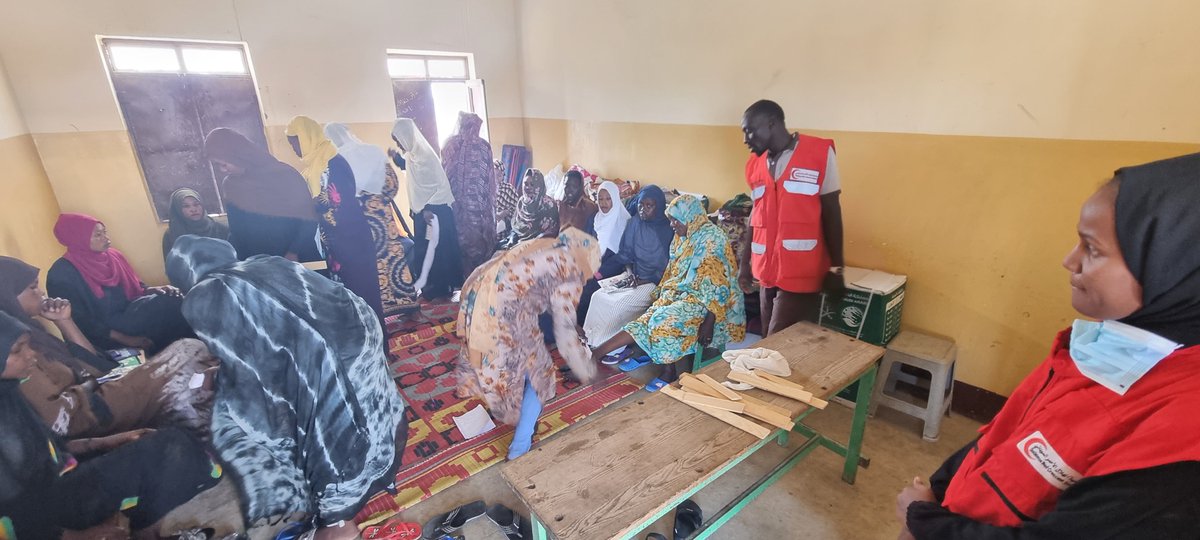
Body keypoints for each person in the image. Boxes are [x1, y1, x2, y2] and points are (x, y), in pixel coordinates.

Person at [896, 153, 1200, 539]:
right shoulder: (1102, 347)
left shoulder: (1182, 446)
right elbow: (1003, 438)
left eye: (1092, 249)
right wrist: (938, 493)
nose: (1068, 261)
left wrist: (926, 522)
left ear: (1174, 265)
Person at [166, 236, 405, 538]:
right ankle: (367, 471)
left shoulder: (203, 298)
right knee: (361, 405)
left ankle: (337, 521)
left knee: (244, 424)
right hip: (359, 333)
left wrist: (217, 383)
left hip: (320, 359)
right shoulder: (263, 259)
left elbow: (253, 373)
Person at [0, 311, 221, 540]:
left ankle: (148, 532)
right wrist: (75, 536)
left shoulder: (9, 393)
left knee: (168, 444)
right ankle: (147, 535)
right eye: (17, 350)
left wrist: (111, 441)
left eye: (27, 345)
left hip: (60, 480)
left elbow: (54, 448)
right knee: (169, 449)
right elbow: (10, 514)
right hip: (41, 515)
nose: (31, 354)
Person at [0, 256, 216, 439]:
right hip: (93, 411)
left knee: (186, 360)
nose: (41, 293)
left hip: (97, 393)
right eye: (32, 288)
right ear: (7, 296)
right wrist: (95, 384)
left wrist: (64, 321)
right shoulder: (13, 349)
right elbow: (61, 419)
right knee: (188, 349)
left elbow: (91, 363)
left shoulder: (33, 333)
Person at [454, 228, 600, 460]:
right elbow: (563, 332)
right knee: (540, 378)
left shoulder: (544, 246)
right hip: (506, 315)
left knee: (517, 364)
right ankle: (520, 447)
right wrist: (586, 370)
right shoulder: (570, 269)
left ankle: (518, 407)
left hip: (479, 297)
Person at [590, 195, 746, 390]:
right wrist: (664, 293)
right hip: (680, 292)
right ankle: (595, 354)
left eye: (675, 219)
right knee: (648, 316)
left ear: (690, 217)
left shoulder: (712, 239)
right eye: (670, 219)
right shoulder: (682, 236)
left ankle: (670, 372)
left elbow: (720, 284)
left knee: (661, 320)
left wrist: (709, 321)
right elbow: (673, 270)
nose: (672, 224)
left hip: (708, 303)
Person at [740, 99, 845, 336]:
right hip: (767, 274)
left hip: (801, 274)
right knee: (770, 341)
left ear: (772, 123)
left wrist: (837, 267)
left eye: (750, 130)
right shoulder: (754, 165)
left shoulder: (818, 153)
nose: (746, 139)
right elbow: (755, 217)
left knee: (779, 341)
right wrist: (744, 264)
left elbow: (832, 212)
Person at [47, 213, 192, 355]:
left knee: (174, 300)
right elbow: (81, 322)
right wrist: (126, 339)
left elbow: (137, 287)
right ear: (78, 239)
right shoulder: (62, 273)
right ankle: (171, 359)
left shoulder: (113, 256)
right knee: (167, 315)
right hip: (104, 331)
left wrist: (155, 290)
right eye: (98, 235)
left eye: (105, 232)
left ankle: (189, 353)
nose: (106, 238)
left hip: (128, 313)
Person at [287, 116, 385, 322]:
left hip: (352, 242)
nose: (294, 149)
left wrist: (309, 206)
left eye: (296, 142)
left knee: (364, 299)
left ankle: (379, 349)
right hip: (334, 245)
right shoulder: (311, 169)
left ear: (308, 137)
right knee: (346, 302)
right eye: (291, 144)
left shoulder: (334, 163)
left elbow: (336, 202)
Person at [325, 122, 421, 317]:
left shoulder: (338, 160)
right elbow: (391, 184)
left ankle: (377, 309)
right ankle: (404, 303)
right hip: (382, 214)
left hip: (359, 219)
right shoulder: (373, 151)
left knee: (369, 264)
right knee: (392, 259)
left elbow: (337, 197)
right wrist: (380, 199)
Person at [204, 127, 321, 261]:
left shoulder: (283, 175)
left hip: (300, 262)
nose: (222, 170)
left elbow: (309, 218)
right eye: (217, 166)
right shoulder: (231, 186)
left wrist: (294, 252)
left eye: (224, 164)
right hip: (260, 266)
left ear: (238, 155)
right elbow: (237, 231)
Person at [581, 185, 674, 348]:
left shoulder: (669, 230)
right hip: (634, 276)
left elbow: (669, 268)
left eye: (649, 206)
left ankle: (606, 347)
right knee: (598, 296)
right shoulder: (635, 222)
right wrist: (621, 276)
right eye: (640, 205)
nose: (643, 210)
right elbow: (625, 254)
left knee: (616, 305)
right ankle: (588, 340)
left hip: (655, 283)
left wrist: (646, 279)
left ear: (659, 206)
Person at [391, 118, 465, 300]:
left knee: (438, 252)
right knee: (424, 250)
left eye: (399, 140)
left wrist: (428, 208)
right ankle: (430, 287)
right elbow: (410, 169)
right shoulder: (412, 156)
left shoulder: (427, 157)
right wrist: (397, 160)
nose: (399, 144)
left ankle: (441, 289)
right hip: (421, 214)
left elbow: (442, 186)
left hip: (435, 214)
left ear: (407, 136)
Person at [442, 111, 498, 275]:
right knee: (479, 249)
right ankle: (479, 286)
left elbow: (444, 174)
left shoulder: (450, 145)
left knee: (463, 249)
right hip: (478, 211)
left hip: (457, 209)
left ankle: (466, 284)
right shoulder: (483, 146)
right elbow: (490, 181)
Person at [576, 181, 631, 322]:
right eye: (600, 199)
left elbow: (623, 256)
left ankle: (581, 327)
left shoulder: (625, 222)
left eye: (608, 198)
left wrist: (599, 272)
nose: (604, 203)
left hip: (610, 269)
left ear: (615, 198)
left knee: (587, 289)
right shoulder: (594, 219)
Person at [161, 188, 230, 261]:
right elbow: (172, 267)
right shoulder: (172, 234)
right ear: (177, 210)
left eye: (196, 204)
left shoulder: (220, 229)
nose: (193, 209)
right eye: (186, 206)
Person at [500, 168, 559, 248]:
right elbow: (515, 227)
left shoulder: (549, 205)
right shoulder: (522, 202)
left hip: (539, 246)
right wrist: (512, 240)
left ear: (539, 185)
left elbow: (550, 234)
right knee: (494, 250)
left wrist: (524, 245)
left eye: (532, 184)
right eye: (526, 184)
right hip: (518, 242)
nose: (528, 187)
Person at [559, 170, 598, 235]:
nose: (569, 190)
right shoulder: (560, 206)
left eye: (574, 186)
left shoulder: (589, 208)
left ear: (580, 187)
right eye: (567, 185)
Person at [495, 160, 519, 238]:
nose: (496, 178)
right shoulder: (484, 189)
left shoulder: (509, 189)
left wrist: (504, 213)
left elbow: (517, 210)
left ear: (503, 175)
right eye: (493, 175)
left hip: (503, 228)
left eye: (499, 175)